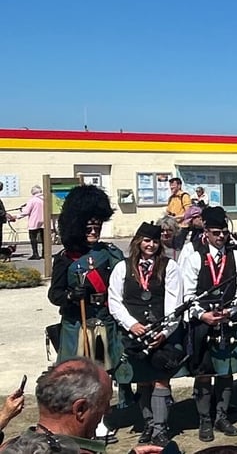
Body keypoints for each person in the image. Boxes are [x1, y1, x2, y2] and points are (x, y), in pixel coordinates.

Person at [179, 206, 237, 443]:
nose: (221, 237)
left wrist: (231, 311)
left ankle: (221, 416)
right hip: (202, 321)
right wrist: (202, 316)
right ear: (206, 232)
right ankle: (204, 420)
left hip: (228, 319)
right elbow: (187, 295)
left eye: (224, 233)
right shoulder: (193, 258)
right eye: (216, 232)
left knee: (226, 371)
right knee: (203, 372)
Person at [107, 222, 182, 446]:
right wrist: (131, 324)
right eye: (147, 241)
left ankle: (160, 428)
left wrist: (165, 331)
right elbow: (114, 301)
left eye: (155, 241)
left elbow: (175, 303)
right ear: (138, 242)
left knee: (160, 379)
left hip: (161, 333)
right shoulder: (122, 267)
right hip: (134, 333)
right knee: (142, 380)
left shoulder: (170, 266)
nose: (151, 245)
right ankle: (148, 423)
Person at [47, 185, 123, 364]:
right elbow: (54, 294)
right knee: (77, 373)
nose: (94, 233)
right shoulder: (66, 258)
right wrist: (71, 295)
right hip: (77, 322)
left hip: (105, 319)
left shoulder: (110, 253)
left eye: (97, 228)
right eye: (89, 229)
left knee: (105, 371)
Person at [17, 185, 45, 260]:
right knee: (44, 238)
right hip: (45, 221)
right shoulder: (46, 199)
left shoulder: (32, 200)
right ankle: (45, 253)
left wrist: (17, 216)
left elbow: (26, 212)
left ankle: (35, 254)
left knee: (33, 238)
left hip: (34, 221)